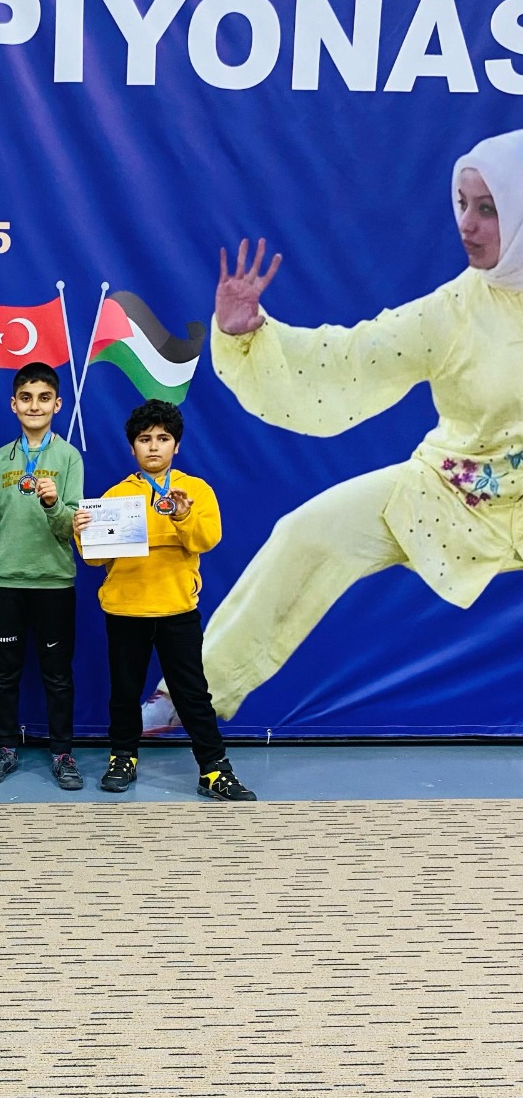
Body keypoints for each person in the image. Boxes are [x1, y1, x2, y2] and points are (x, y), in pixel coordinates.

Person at [143, 127, 523, 731]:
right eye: (462, 205)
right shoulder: (453, 310)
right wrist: (248, 334)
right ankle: (192, 695)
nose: (467, 225)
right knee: (306, 532)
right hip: (451, 492)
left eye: (489, 209)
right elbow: (350, 359)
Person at [74, 399, 256, 800]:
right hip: (126, 610)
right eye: (144, 439)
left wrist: (183, 516)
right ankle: (122, 757)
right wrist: (82, 530)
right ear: (132, 448)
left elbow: (206, 540)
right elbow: (95, 558)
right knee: (124, 692)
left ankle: (213, 769)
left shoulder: (195, 491)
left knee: (192, 694)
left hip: (177, 610)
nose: (153, 445)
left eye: (163, 438)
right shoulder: (117, 495)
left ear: (177, 445)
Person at [0, 361, 85, 789]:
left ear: (58, 404)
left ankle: (62, 752)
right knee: (4, 674)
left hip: (53, 582)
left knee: (57, 675)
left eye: (43, 398)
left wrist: (55, 505)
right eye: (26, 398)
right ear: (13, 404)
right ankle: (4, 748)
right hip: (5, 584)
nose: (34, 406)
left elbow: (72, 527)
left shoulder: (68, 457)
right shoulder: (0, 459)